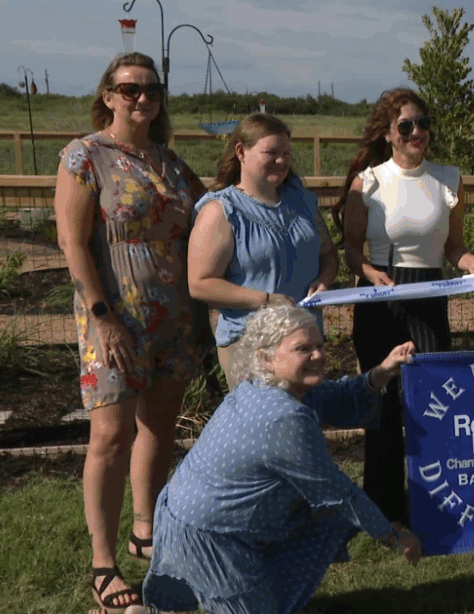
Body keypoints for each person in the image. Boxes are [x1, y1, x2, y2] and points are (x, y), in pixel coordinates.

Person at [54, 52, 209, 612]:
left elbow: (215, 210)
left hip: (175, 319)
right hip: (113, 320)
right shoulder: (85, 156)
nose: (140, 98)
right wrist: (101, 315)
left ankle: (146, 531)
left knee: (160, 428)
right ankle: (103, 563)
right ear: (109, 95)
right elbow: (73, 243)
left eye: (150, 90)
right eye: (129, 89)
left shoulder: (171, 163)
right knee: (110, 438)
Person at [140, 305, 420, 614]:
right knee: (337, 509)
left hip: (194, 516)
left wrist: (382, 371)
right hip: (210, 537)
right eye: (303, 349)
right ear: (266, 358)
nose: (318, 355)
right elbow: (339, 493)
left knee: (332, 517)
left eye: (319, 346)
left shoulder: (268, 386)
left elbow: (337, 396)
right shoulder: (282, 418)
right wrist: (394, 536)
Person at [337, 88, 474, 528]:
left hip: (429, 294)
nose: (416, 132)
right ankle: (382, 508)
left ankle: (434, 502)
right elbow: (350, 249)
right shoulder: (368, 181)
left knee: (431, 402)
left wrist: (471, 262)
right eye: (406, 126)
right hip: (382, 295)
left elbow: (454, 248)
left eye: (422, 123)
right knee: (381, 403)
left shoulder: (448, 178)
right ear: (388, 134)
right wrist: (367, 272)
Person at [187, 113, 337, 385]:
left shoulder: (303, 203)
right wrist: (266, 300)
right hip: (251, 346)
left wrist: (324, 280)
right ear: (241, 152)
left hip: (307, 342)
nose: (281, 161)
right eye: (271, 152)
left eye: (286, 153)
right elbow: (200, 284)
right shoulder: (219, 211)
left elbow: (328, 255)